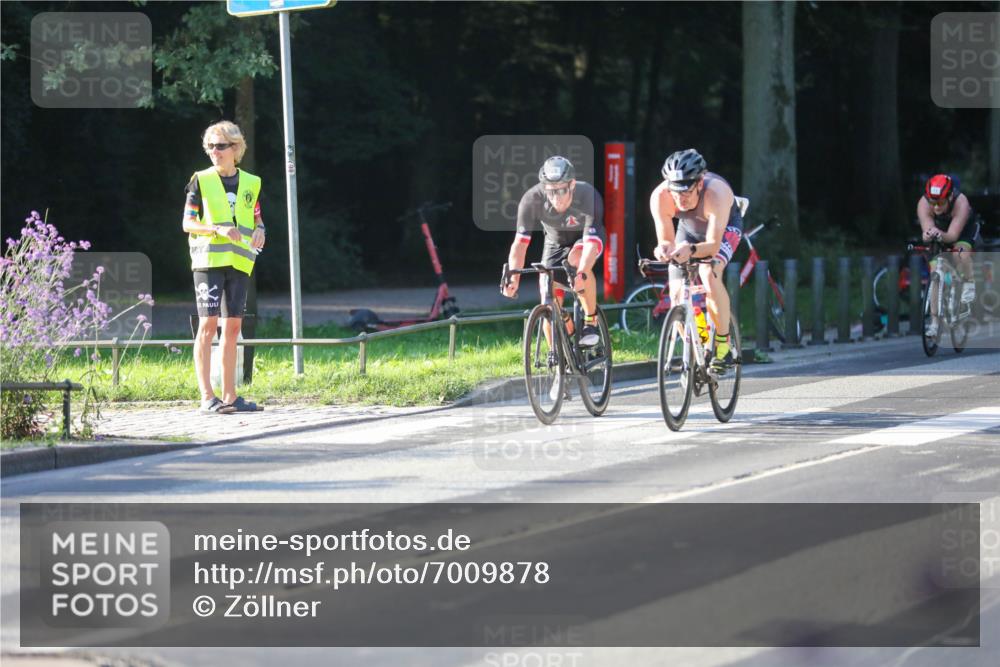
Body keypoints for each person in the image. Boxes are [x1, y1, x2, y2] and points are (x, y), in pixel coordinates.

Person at [182, 121, 266, 414]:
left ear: (236, 148)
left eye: (220, 146)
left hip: (240, 262)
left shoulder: (252, 183)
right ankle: (207, 397)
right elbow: (187, 222)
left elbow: (257, 219)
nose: (214, 151)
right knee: (208, 326)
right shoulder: (200, 180)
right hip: (208, 261)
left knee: (233, 329)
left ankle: (230, 397)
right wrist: (215, 228)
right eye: (210, 146)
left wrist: (260, 231)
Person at [650, 148, 743, 375]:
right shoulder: (660, 197)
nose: (680, 200)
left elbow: (712, 245)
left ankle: (722, 345)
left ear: (700, 184)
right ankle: (697, 343)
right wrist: (663, 250)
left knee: (708, 275)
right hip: (688, 231)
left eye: (686, 193)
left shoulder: (716, 193)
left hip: (723, 230)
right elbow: (666, 240)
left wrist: (691, 250)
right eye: (675, 193)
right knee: (676, 293)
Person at [500, 156, 606, 347]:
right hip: (555, 243)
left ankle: (591, 322)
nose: (556, 197)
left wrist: (581, 274)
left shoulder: (587, 195)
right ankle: (558, 359)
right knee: (548, 296)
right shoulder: (532, 199)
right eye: (551, 192)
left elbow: (591, 244)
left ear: (572, 185)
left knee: (577, 261)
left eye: (561, 190)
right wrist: (513, 277)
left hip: (585, 239)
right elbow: (520, 244)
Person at [917, 173, 980, 338]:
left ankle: (968, 284)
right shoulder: (923, 204)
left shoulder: (961, 203)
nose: (936, 207)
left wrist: (938, 234)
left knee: (961, 255)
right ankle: (934, 322)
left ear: (950, 197)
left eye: (941, 203)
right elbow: (927, 230)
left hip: (963, 231)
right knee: (935, 272)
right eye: (933, 202)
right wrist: (928, 234)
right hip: (940, 231)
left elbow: (952, 236)